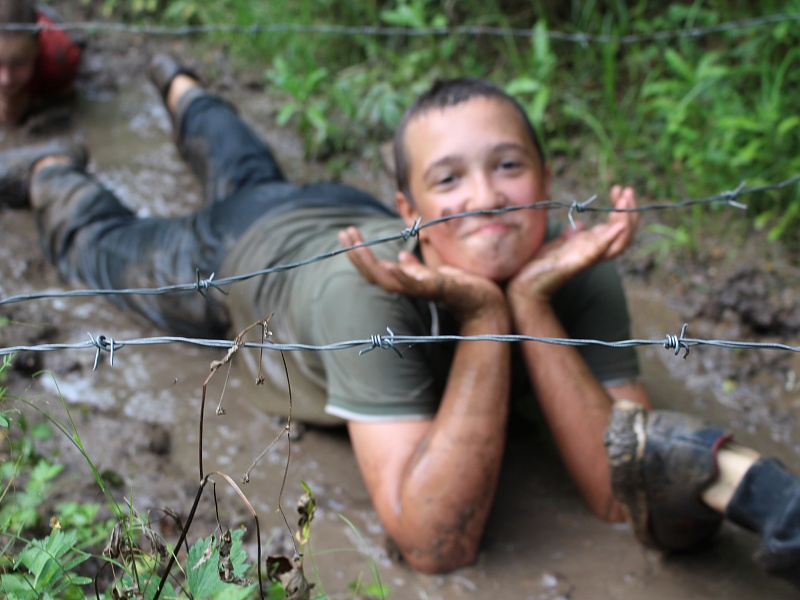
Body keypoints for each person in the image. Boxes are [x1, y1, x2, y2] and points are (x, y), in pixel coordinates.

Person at [0, 54, 797, 585]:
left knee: (245, 168)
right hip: (249, 253)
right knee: (103, 253)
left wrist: (531, 296)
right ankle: (52, 170)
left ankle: (184, 89)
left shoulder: (568, 264)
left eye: (509, 166)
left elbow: (623, 494)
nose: (485, 196)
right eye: (451, 178)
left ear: (549, 180)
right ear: (411, 211)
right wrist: (488, 310)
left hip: (335, 211)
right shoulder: (370, 294)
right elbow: (434, 542)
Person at [0, 0, 82, 125]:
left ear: (36, 49)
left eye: (19, 63)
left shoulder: (60, 57)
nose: (6, 78)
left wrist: (32, 102)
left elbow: (65, 96)